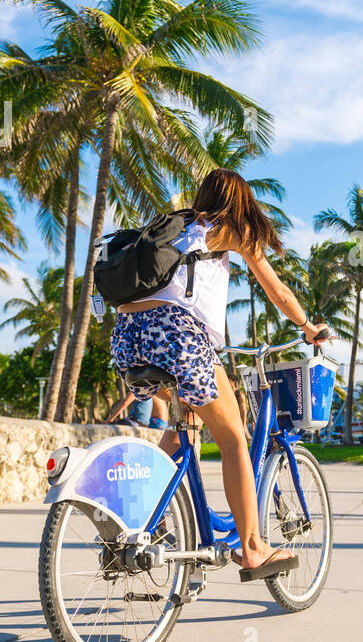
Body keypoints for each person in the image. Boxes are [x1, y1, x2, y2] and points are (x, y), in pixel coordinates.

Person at [110, 168, 332, 582]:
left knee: (184, 431)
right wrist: (308, 326)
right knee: (233, 439)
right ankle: (253, 548)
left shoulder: (175, 228)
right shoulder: (230, 230)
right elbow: (277, 291)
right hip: (176, 335)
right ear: (240, 201)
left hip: (126, 337)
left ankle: (145, 518)